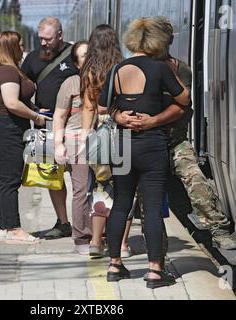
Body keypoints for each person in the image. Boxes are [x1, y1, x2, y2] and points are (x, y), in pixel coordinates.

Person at [134, 16, 236, 250]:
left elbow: (181, 105)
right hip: (147, 141)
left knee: (196, 179)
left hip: (174, 140)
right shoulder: (138, 66)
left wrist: (154, 121)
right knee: (146, 196)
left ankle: (218, 230)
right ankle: (154, 245)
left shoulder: (180, 69)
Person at [100, 18, 190, 289]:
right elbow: (184, 99)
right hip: (151, 144)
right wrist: (154, 117)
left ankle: (115, 264)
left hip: (123, 145)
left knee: (121, 204)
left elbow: (105, 106)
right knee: (151, 208)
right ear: (156, 41)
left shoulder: (117, 68)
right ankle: (153, 271)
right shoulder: (159, 67)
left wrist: (120, 115)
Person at [0, 31, 50, 244]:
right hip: (6, 130)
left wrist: (35, 108)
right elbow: (11, 103)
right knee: (10, 181)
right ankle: (13, 228)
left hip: (6, 129)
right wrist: (36, 117)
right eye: (20, 44)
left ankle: (5, 226)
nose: (23, 47)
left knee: (5, 181)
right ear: (12, 47)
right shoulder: (8, 72)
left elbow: (17, 100)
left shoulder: (9, 70)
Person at [80, 25, 134, 259]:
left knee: (100, 187)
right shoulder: (123, 69)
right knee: (125, 189)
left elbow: (88, 107)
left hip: (100, 134)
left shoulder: (88, 70)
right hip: (123, 131)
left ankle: (95, 242)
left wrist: (85, 135)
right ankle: (122, 244)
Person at [21, 17, 78, 240]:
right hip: (46, 124)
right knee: (52, 175)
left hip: (74, 124)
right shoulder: (33, 59)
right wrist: (34, 110)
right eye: (41, 39)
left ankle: (86, 221)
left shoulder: (75, 54)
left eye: (48, 39)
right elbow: (22, 88)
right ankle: (63, 222)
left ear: (60, 35)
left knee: (81, 175)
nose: (43, 43)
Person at [53, 41, 92, 255]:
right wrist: (58, 144)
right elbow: (59, 115)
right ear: (77, 63)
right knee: (82, 190)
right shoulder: (71, 83)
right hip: (76, 142)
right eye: (84, 55)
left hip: (102, 142)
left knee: (103, 191)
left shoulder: (104, 80)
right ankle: (81, 238)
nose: (88, 58)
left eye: (90, 53)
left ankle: (100, 234)